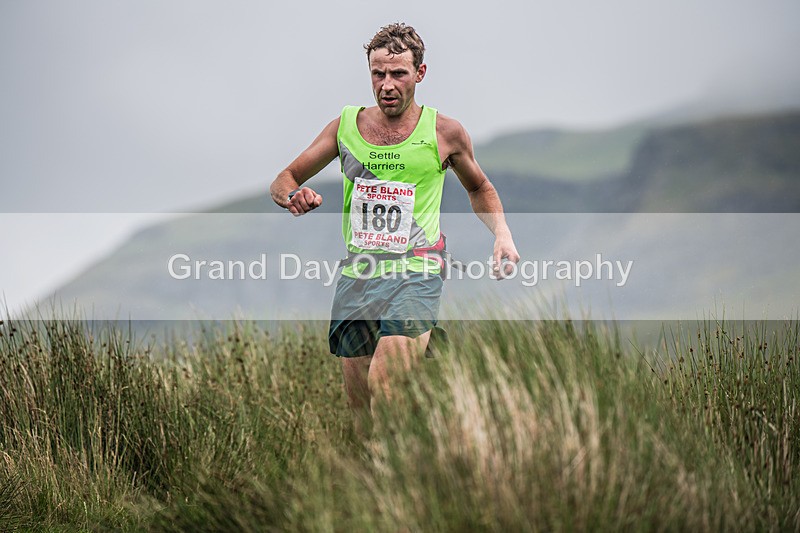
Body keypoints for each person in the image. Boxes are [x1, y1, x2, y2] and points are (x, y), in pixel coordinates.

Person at [270, 22, 519, 433]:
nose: (387, 84)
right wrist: (292, 195)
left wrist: (503, 234)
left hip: (417, 272)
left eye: (398, 74)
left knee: (386, 384)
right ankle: (391, 471)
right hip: (360, 274)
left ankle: (404, 484)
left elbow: (480, 188)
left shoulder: (444, 133)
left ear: (419, 74)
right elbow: (285, 178)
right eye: (378, 74)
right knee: (361, 408)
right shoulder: (345, 127)